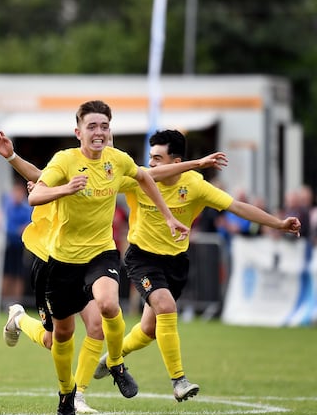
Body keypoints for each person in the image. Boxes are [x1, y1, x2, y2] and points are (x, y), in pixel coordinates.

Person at [0, 129, 222, 415]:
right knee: (56, 339)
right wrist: (13, 157)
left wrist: (196, 164)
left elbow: (152, 176)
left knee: (100, 322)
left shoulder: (115, 170)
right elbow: (39, 176)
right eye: (101, 139)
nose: (106, 148)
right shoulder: (67, 165)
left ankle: (85, 390)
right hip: (51, 257)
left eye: (109, 141)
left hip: (93, 257)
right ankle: (18, 318)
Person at [91, 129, 301, 401]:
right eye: (150, 157)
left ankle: (113, 359)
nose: (150, 164)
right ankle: (179, 381)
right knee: (166, 306)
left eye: (157, 158)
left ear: (176, 162)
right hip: (141, 258)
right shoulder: (137, 179)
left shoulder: (195, 185)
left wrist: (279, 223)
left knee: (148, 330)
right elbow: (106, 179)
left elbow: (236, 207)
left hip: (175, 263)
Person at [1, 179, 32, 300]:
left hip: (21, 246)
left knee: (19, 275)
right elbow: (7, 226)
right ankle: (4, 302)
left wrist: (22, 229)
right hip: (8, 245)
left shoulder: (26, 209)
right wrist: (17, 230)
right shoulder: (8, 207)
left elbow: (29, 224)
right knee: (7, 274)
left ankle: (16, 302)